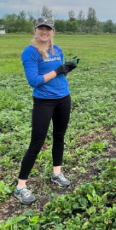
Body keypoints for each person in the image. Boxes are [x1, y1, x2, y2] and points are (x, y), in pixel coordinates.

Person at [14, 17, 76, 205]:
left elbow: (60, 74)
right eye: (41, 28)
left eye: (48, 29)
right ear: (35, 30)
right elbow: (34, 80)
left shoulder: (57, 50)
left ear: (53, 32)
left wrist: (67, 69)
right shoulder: (30, 52)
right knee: (36, 142)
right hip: (44, 102)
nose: (44, 32)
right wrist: (57, 71)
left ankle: (56, 174)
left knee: (59, 137)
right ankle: (20, 186)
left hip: (63, 98)